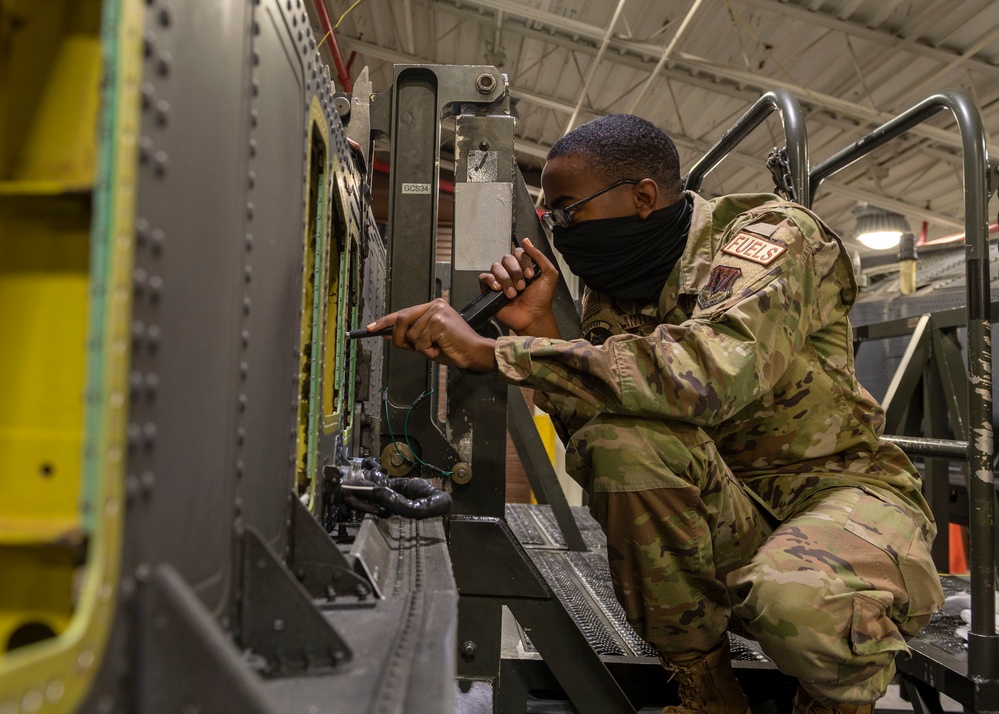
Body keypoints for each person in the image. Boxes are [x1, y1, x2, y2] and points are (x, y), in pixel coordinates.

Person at [364, 114, 944, 713]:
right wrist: (538, 325)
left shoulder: (770, 235)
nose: (558, 234)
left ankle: (832, 704)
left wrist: (499, 353)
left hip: (837, 496)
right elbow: (598, 447)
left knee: (793, 602)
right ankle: (707, 695)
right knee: (621, 445)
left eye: (566, 213)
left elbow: (713, 374)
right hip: (733, 508)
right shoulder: (617, 292)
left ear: (642, 197)